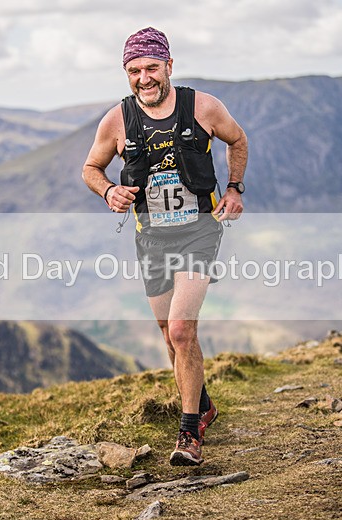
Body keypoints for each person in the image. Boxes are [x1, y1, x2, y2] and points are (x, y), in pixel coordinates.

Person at [82, 27, 248, 465]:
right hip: (150, 238)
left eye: (152, 68)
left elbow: (238, 140)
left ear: (169, 66)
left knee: (181, 329)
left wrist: (234, 189)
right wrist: (107, 191)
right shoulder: (117, 120)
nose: (144, 78)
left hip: (198, 231)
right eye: (134, 70)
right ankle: (204, 402)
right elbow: (91, 167)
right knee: (169, 336)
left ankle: (189, 432)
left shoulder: (203, 107)